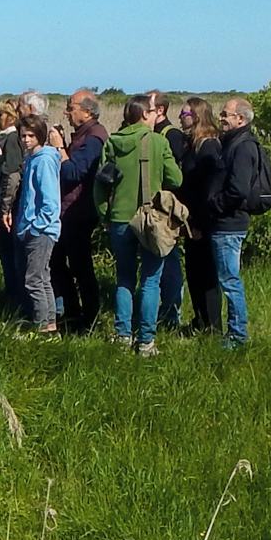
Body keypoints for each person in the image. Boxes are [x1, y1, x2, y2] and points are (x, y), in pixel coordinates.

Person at [97, 95, 178, 354]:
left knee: (124, 278)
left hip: (119, 218)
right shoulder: (158, 142)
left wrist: (104, 216)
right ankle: (146, 341)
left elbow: (100, 185)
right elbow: (176, 179)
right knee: (151, 281)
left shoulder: (112, 142)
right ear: (144, 115)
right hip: (150, 219)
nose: (156, 116)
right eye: (153, 112)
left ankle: (123, 335)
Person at [202, 96, 263, 346]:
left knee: (230, 280)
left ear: (241, 118)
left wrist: (214, 205)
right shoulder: (234, 143)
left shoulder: (243, 146)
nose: (221, 117)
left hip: (230, 224)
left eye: (226, 114)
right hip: (224, 223)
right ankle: (235, 332)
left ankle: (238, 335)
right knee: (227, 278)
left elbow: (238, 189)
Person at [0, 91, 46, 321]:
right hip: (34, 210)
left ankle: (21, 307)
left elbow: (11, 174)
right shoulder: (44, 135)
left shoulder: (14, 139)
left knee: (15, 260)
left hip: (21, 209)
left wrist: (4, 207)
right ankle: (43, 313)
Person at [50, 90, 105, 333]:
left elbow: (73, 172)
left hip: (79, 212)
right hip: (70, 209)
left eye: (70, 107)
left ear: (87, 111)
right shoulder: (85, 135)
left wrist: (60, 148)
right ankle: (73, 314)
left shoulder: (94, 138)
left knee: (80, 266)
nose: (66, 112)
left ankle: (88, 319)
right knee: (58, 262)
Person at [172, 96, 223, 334]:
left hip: (204, 221)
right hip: (191, 219)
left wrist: (200, 222)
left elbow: (208, 187)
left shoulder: (209, 145)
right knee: (194, 273)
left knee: (206, 274)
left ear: (198, 117)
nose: (181, 118)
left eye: (186, 114)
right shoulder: (191, 144)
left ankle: (212, 326)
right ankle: (200, 321)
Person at [14, 112, 63, 332]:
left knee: (34, 280)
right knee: (42, 278)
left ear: (40, 136)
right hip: (33, 227)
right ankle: (49, 325)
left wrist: (36, 226)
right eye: (23, 135)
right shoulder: (33, 158)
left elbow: (50, 200)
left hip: (40, 230)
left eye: (31, 135)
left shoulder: (43, 159)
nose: (26, 139)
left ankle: (43, 326)